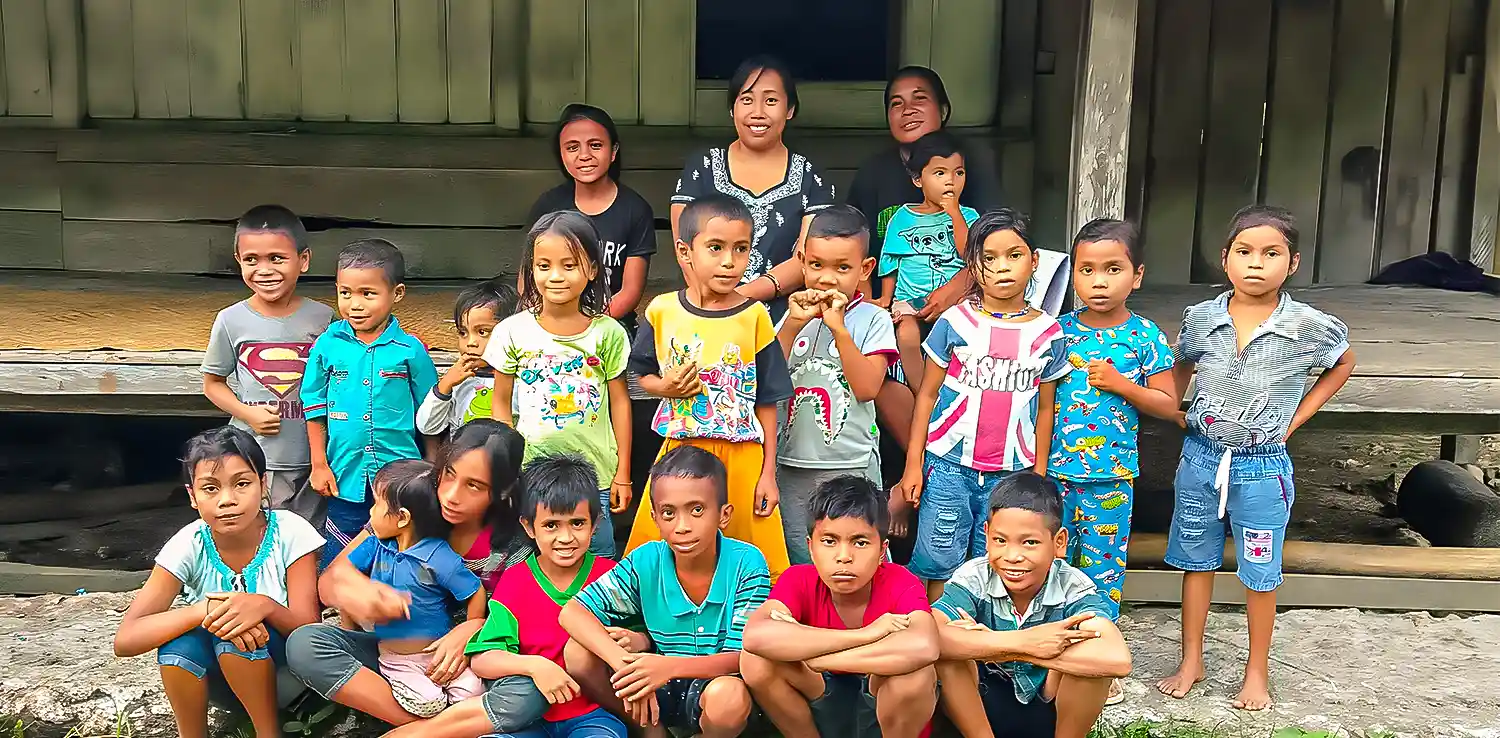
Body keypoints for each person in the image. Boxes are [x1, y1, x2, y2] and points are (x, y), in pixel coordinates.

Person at [1156, 205, 1355, 711]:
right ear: (1225, 260)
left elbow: (1344, 362)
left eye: (1271, 254)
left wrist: (1296, 420)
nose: (1256, 264)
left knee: (1260, 570)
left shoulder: (1309, 326)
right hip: (1201, 459)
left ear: (1292, 264)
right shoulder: (1201, 319)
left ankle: (1256, 670)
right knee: (1195, 562)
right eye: (1244, 252)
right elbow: (1177, 370)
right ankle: (1192, 658)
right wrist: (1174, 408)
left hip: (1262, 467)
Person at [286, 420, 547, 733]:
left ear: (502, 491)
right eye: (448, 474)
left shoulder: (516, 545)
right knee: (305, 644)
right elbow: (330, 581)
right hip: (396, 654)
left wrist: (472, 628)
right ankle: (439, 729)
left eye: (474, 486)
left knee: (529, 690)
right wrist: (356, 590)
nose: (451, 495)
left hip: (472, 666)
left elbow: (521, 623)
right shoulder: (409, 508)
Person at [894, 210, 1071, 602]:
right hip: (948, 466)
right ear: (973, 266)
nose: (1002, 268)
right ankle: (944, 642)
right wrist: (913, 465)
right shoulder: (955, 322)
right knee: (940, 561)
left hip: (1012, 473)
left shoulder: (1048, 333)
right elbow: (926, 395)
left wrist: (1037, 477)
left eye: (1014, 255)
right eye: (988, 259)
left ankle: (986, 655)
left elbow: (1045, 410)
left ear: (1034, 260)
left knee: (997, 563)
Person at [397, 454, 633, 738]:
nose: (566, 537)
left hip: (592, 716)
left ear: (595, 524)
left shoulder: (612, 577)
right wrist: (533, 666)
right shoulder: (517, 580)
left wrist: (636, 639)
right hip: (527, 719)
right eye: (551, 525)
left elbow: (643, 638)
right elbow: (484, 658)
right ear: (529, 527)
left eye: (577, 523)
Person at [114, 426, 324, 738]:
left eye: (242, 484)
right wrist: (204, 611)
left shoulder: (291, 532)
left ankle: (268, 734)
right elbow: (126, 639)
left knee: (236, 633)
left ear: (263, 484)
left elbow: (308, 632)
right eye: (210, 488)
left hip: (287, 680)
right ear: (192, 497)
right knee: (180, 643)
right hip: (220, 686)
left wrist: (262, 606)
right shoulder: (189, 543)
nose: (227, 500)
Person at [624, 196, 795, 577]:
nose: (729, 262)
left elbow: (768, 398)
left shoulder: (754, 316)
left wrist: (768, 473)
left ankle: (757, 628)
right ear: (685, 252)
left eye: (741, 249)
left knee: (757, 557)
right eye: (715, 248)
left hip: (743, 455)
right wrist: (664, 386)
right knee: (663, 551)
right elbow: (641, 373)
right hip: (681, 453)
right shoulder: (662, 310)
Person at [1048, 218, 1178, 706]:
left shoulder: (1144, 336)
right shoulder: (1057, 332)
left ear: (1137, 275)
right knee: (1051, 563)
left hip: (1110, 477)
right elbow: (1039, 403)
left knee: (1103, 571)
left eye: (1113, 269)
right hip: (1056, 474)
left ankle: (1101, 660)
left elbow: (1169, 404)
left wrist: (1122, 384)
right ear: (1073, 276)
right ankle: (1050, 651)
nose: (1098, 281)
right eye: (1087, 270)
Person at [560, 447, 770, 738]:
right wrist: (628, 668)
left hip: (719, 682)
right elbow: (572, 612)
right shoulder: (646, 560)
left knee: (728, 696)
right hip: (658, 683)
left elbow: (743, 657)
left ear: (724, 515)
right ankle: (651, 731)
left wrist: (667, 667)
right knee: (578, 651)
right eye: (669, 513)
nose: (682, 527)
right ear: (655, 518)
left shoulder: (746, 563)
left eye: (697, 510)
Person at [931, 472, 1131, 738]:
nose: (1013, 556)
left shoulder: (1072, 586)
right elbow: (928, 637)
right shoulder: (974, 577)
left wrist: (997, 647)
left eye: (1030, 543)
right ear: (987, 534)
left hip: (1048, 705)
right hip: (984, 704)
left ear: (1059, 543)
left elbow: (1117, 660)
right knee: (948, 658)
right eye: (1000, 541)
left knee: (1093, 668)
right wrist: (1022, 643)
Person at [741, 475, 938, 738]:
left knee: (916, 674)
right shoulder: (798, 579)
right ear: (811, 547)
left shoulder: (899, 581)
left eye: (860, 542)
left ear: (882, 550)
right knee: (755, 661)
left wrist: (817, 658)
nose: (844, 557)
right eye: (829, 541)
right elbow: (756, 637)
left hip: (880, 697)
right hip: (820, 693)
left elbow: (924, 645)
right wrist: (866, 634)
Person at [487, 211, 633, 559]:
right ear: (530, 270)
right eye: (544, 265)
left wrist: (623, 473)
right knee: (527, 555)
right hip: (530, 470)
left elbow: (621, 404)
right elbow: (501, 404)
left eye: (570, 265)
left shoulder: (607, 333)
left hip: (595, 472)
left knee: (597, 558)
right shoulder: (512, 331)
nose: (555, 276)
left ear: (593, 270)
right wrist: (507, 469)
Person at [302, 239, 439, 568]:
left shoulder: (409, 350)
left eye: (368, 293)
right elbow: (314, 407)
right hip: (344, 474)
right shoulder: (328, 345)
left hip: (400, 477)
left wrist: (433, 467)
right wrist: (319, 464)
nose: (355, 305)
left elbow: (432, 414)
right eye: (345, 293)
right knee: (339, 559)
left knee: (400, 554)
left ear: (397, 294)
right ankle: (340, 611)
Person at [775, 205, 898, 562]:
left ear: (865, 269)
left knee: (858, 555)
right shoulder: (792, 315)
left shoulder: (872, 320)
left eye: (842, 268)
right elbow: (766, 380)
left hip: (851, 465)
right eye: (816, 266)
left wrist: (839, 329)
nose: (827, 278)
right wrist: (792, 326)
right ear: (802, 261)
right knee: (804, 558)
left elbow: (866, 389)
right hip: (792, 464)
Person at [670, 55, 836, 318]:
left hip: (785, 319)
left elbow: (807, 259)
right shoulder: (702, 167)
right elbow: (685, 245)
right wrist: (712, 304)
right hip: (704, 311)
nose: (758, 112)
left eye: (771, 100)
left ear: (790, 109)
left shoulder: (811, 177)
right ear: (732, 108)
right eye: (746, 100)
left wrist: (740, 298)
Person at [201, 205, 335, 528]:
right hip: (255, 457)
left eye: (277, 258)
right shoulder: (231, 320)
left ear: (303, 260)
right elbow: (212, 383)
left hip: (313, 459)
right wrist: (248, 414)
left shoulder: (325, 319)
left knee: (308, 538)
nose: (264, 269)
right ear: (239, 261)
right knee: (259, 535)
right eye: (252, 260)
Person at [845, 65, 1001, 307]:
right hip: (896, 308)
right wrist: (868, 305)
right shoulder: (873, 172)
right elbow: (851, 242)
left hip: (965, 303)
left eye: (920, 99)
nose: (907, 110)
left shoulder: (972, 164)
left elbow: (999, 240)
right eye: (896, 104)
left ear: (943, 110)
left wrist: (958, 287)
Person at [346, 459, 487, 717]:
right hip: (396, 658)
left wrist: (471, 627)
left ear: (402, 518)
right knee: (428, 702)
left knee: (471, 694)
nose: (370, 513)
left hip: (439, 653)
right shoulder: (376, 546)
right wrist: (351, 622)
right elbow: (346, 575)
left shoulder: (439, 557)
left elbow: (474, 591)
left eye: (376, 504)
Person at [528, 104, 657, 334]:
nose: (584, 155)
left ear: (613, 151)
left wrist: (586, 326)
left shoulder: (635, 210)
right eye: (572, 147)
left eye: (595, 145)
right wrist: (548, 323)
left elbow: (630, 291)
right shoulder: (548, 206)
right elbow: (527, 280)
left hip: (609, 324)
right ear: (561, 153)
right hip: (549, 321)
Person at [874, 131, 980, 392]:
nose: (951, 182)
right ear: (918, 179)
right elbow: (890, 261)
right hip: (910, 299)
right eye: (940, 173)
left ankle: (953, 390)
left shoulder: (969, 215)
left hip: (958, 300)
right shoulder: (902, 217)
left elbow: (971, 255)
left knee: (967, 334)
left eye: (959, 173)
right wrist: (886, 300)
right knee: (907, 336)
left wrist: (955, 214)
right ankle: (924, 393)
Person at [417, 279, 521, 440]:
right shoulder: (459, 381)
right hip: (461, 463)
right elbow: (428, 426)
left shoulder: (521, 380)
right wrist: (445, 385)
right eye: (463, 333)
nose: (471, 342)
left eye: (483, 332)